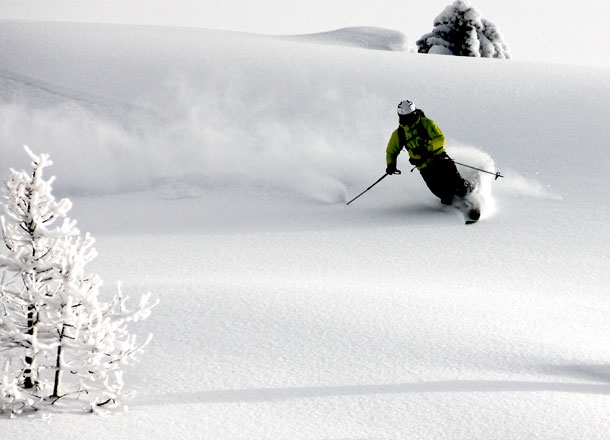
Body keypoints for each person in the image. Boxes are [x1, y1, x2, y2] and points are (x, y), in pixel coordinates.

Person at [385, 99, 474, 206]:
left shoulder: (426, 123)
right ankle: (456, 205)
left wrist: (427, 147)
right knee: (440, 192)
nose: (408, 119)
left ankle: (472, 196)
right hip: (424, 166)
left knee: (455, 183)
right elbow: (391, 151)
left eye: (411, 116)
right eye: (405, 117)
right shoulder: (399, 134)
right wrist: (391, 165)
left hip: (440, 158)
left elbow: (440, 138)